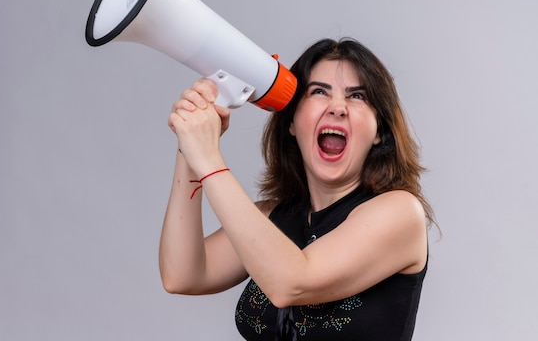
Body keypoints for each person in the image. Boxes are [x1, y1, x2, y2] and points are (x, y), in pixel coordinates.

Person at [160, 37, 435, 340]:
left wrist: (209, 158)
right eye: (319, 91)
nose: (337, 108)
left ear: (378, 132)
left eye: (357, 96)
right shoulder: (272, 216)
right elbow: (182, 274)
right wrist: (190, 143)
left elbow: (290, 281)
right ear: (291, 121)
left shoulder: (399, 213)